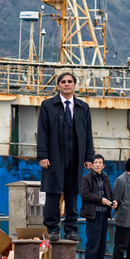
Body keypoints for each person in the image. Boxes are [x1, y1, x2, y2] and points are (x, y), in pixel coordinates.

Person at [36, 71, 95, 242]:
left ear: (74, 85)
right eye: (63, 81)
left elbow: (88, 134)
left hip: (76, 158)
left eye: (70, 81)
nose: (67, 84)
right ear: (58, 85)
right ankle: (53, 228)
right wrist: (42, 155)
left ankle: (71, 229)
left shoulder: (83, 107)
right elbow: (42, 132)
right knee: (53, 193)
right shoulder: (47, 106)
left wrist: (88, 157)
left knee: (72, 193)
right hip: (54, 158)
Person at [79, 154, 116, 259]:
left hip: (104, 214)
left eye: (100, 162)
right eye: (95, 162)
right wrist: (101, 200)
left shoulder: (105, 177)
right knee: (93, 242)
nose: (98, 164)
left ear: (104, 165)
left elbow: (110, 193)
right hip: (93, 214)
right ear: (92, 165)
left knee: (101, 243)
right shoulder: (86, 178)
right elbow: (85, 194)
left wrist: (114, 201)